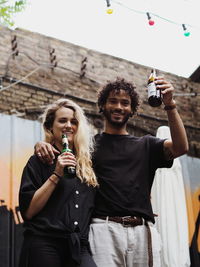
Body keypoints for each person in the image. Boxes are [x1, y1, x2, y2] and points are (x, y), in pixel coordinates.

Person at [34, 76, 189, 267]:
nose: (119, 106)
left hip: (142, 229)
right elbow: (60, 145)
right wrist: (41, 144)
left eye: (125, 103)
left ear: (132, 109)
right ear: (102, 105)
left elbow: (181, 148)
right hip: (102, 229)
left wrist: (170, 105)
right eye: (113, 101)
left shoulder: (147, 144)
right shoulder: (87, 147)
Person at [18, 98, 98, 267]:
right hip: (45, 243)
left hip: (78, 246)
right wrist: (56, 174)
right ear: (49, 127)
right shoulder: (39, 161)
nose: (69, 125)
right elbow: (28, 212)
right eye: (62, 120)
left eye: (73, 121)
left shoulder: (88, 164)